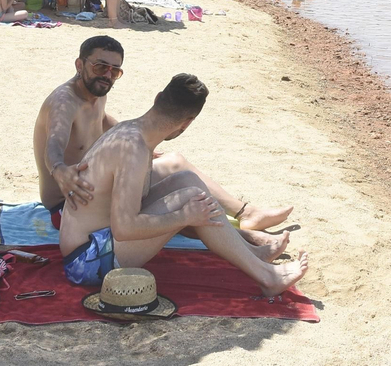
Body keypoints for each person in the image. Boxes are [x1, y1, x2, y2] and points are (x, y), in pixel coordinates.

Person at [57, 73, 309, 296]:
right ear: (186, 123)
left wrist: (186, 213)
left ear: (157, 98)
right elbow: (124, 228)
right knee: (191, 200)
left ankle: (253, 255)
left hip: (96, 242)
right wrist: (183, 216)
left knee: (186, 181)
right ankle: (268, 278)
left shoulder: (131, 132)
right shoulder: (132, 150)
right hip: (86, 261)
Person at [34, 40, 295, 248]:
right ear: (80, 64)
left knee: (175, 163)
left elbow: (103, 122)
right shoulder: (64, 101)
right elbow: (54, 143)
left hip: (96, 186)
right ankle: (249, 239)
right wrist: (59, 169)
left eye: (115, 70)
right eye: (100, 67)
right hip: (70, 202)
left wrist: (141, 146)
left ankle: (245, 213)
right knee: (175, 206)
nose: (107, 75)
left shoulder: (95, 92)